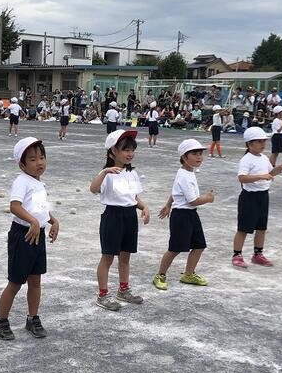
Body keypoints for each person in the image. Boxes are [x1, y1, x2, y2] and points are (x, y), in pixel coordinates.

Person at [0, 138, 60, 340]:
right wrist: (32, 221)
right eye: (32, 159)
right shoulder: (22, 181)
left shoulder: (38, 183)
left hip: (37, 235)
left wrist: (53, 221)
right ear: (22, 165)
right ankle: (1, 321)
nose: (39, 162)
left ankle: (33, 318)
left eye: (42, 157)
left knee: (36, 281)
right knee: (15, 282)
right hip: (22, 235)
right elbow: (15, 206)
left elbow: (40, 208)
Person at [89, 130, 148, 311]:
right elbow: (93, 189)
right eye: (126, 150)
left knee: (125, 257)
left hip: (130, 216)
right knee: (107, 257)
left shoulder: (132, 173)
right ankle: (103, 295)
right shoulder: (107, 174)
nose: (130, 154)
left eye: (132, 150)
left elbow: (133, 196)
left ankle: (123, 290)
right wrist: (105, 172)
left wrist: (144, 207)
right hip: (113, 216)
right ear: (113, 151)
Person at [151, 139, 214, 290]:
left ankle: (188, 274)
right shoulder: (184, 176)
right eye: (195, 154)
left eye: (200, 154)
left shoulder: (187, 172)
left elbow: (175, 192)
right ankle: (160, 275)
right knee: (175, 248)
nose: (199, 157)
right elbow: (193, 201)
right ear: (184, 157)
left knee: (199, 246)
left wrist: (168, 204)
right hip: (182, 216)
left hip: (191, 215)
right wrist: (208, 198)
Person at [232, 127, 282, 268]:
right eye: (259, 141)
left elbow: (270, 173)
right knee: (244, 228)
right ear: (249, 144)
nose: (263, 144)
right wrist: (261, 176)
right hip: (249, 197)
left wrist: (278, 169)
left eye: (264, 141)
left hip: (263, 195)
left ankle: (258, 254)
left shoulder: (264, 158)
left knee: (261, 228)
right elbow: (242, 178)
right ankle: (237, 255)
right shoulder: (246, 159)